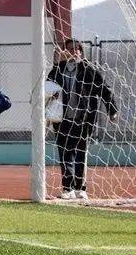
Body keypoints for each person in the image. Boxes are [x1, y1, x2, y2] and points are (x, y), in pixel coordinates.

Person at [46, 38, 118, 200]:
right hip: (62, 120)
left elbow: (104, 89)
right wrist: (46, 114)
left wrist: (112, 110)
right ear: (65, 51)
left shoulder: (88, 70)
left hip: (83, 119)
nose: (74, 51)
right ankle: (67, 189)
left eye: (77, 49)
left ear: (81, 52)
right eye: (71, 48)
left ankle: (80, 188)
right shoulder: (57, 70)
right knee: (65, 154)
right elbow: (46, 92)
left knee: (80, 154)